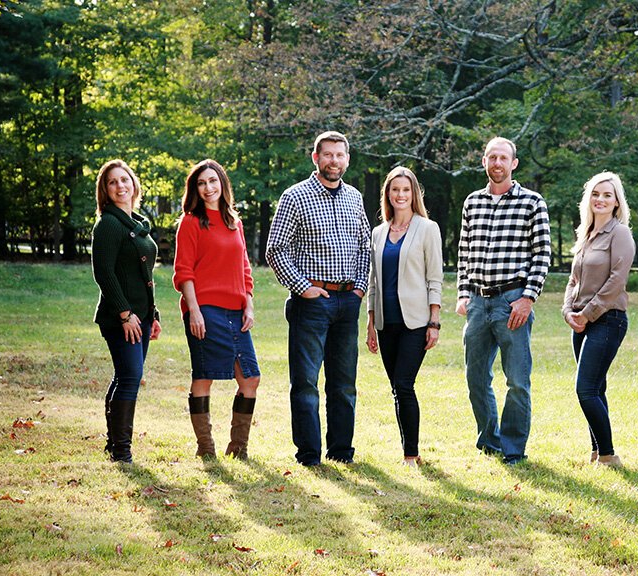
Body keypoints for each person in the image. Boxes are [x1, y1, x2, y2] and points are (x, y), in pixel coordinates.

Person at [266, 131, 371, 466]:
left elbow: (365, 246)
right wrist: (302, 287)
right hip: (311, 302)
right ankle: (309, 454)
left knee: (344, 384)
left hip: (347, 301)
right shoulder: (295, 196)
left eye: (340, 155)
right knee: (306, 383)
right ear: (316, 158)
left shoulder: (354, 197)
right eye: (328, 154)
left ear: (347, 160)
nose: (334, 161)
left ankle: (341, 451)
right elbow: (275, 249)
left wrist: (359, 288)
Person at [456, 137, 551, 465]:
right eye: (492, 157)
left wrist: (528, 298)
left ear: (514, 163)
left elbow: (542, 254)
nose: (497, 163)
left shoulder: (532, 202)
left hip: (512, 301)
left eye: (503, 158)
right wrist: (463, 294)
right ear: (484, 161)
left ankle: (513, 449)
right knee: (476, 378)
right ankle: (489, 439)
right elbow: (464, 252)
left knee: (517, 381)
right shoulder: (472, 202)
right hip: (478, 302)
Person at [173, 159, 260, 460]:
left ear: (222, 183)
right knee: (204, 376)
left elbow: (244, 267)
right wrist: (194, 310)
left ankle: (238, 448)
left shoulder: (234, 222)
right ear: (195, 189)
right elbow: (184, 271)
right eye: (201, 183)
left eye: (213, 181)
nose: (208, 188)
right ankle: (206, 448)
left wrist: (249, 303)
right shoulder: (190, 222)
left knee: (250, 378)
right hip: (205, 308)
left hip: (236, 310)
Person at [365, 167, 443, 467]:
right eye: (395, 189)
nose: (400, 195)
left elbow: (434, 278)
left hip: (416, 321)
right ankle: (409, 452)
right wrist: (370, 323)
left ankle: (411, 455)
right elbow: (373, 282)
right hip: (386, 323)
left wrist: (434, 321)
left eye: (406, 190)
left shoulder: (427, 228)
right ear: (387, 194)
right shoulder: (378, 233)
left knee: (404, 383)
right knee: (397, 388)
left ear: (414, 194)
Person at [562, 172, 635, 467]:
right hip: (580, 321)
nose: (601, 199)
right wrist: (568, 311)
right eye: (595, 194)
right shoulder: (586, 234)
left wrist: (587, 313)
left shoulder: (620, 234)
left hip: (608, 320)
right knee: (596, 388)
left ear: (617, 202)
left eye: (607, 195)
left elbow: (617, 280)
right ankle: (597, 451)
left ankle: (608, 455)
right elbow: (573, 280)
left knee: (585, 389)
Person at [91, 159, 162, 463]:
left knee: (126, 376)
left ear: (134, 184)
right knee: (130, 377)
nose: (120, 186)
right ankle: (122, 451)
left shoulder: (137, 223)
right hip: (120, 318)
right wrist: (124, 313)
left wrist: (152, 314)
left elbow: (143, 275)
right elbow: (104, 273)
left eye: (125, 179)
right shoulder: (108, 224)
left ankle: (114, 444)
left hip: (141, 316)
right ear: (105, 191)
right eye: (112, 182)